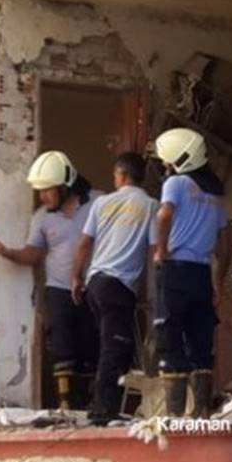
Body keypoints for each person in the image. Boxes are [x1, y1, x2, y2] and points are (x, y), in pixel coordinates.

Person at [0, 150, 99, 410]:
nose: (42, 197)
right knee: (61, 346)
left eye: (47, 191)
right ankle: (66, 406)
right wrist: (7, 252)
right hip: (58, 289)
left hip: (92, 286)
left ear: (64, 187)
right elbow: (34, 254)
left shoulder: (98, 204)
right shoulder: (42, 218)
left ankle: (93, 404)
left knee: (92, 344)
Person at [72, 152, 158, 425]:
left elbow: (84, 243)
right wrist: (157, 290)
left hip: (96, 282)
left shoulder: (102, 203)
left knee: (112, 344)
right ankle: (102, 409)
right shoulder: (150, 205)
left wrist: (76, 278)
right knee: (115, 346)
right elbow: (154, 250)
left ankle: (105, 403)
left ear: (120, 176)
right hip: (118, 286)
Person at [152, 128, 228, 418]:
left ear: (179, 159)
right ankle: (201, 410)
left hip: (175, 270)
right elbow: (224, 241)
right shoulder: (215, 193)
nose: (164, 166)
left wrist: (161, 250)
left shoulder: (176, 183)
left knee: (169, 334)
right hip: (201, 274)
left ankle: (174, 413)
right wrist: (218, 280)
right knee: (200, 337)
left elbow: (165, 214)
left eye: (166, 161)